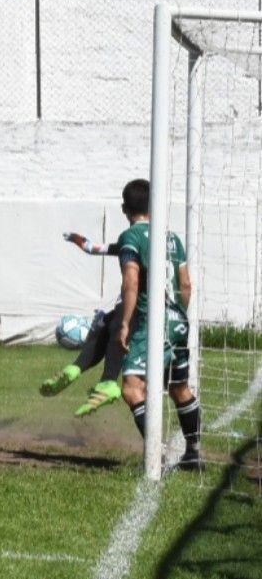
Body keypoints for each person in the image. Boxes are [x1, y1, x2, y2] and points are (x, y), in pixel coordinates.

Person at [112, 179, 203, 471]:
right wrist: (178, 315)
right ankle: (193, 453)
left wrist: (125, 324)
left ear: (125, 209)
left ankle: (156, 455)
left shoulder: (131, 237)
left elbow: (131, 282)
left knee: (132, 388)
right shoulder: (172, 238)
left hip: (153, 323)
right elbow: (186, 285)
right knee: (179, 387)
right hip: (178, 321)